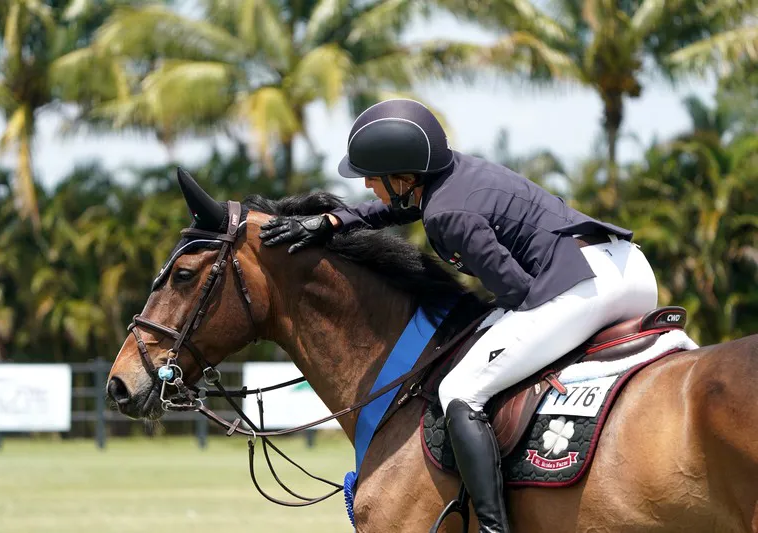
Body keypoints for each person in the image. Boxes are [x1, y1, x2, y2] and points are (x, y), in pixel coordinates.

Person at [258, 99, 658, 533]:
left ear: (406, 178)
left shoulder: (446, 214)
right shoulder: (454, 175)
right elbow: (397, 207)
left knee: (461, 390)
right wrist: (332, 222)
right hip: (623, 268)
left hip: (584, 286)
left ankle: (492, 527)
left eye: (373, 177)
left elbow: (518, 292)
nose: (369, 185)